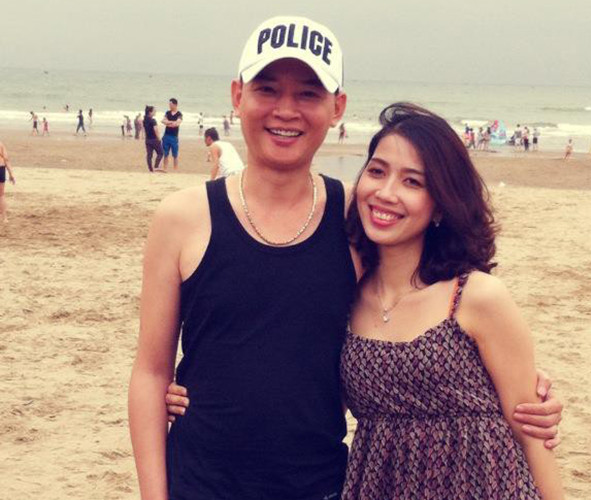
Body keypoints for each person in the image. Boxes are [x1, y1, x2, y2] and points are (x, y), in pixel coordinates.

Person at [130, 16, 563, 500]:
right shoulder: (182, 218)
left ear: (337, 107)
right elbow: (150, 372)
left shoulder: (355, 218)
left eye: (308, 94)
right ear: (237, 95)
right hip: (199, 481)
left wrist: (518, 385)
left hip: (320, 486)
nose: (285, 110)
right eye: (267, 89)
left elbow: (420, 300)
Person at [339, 103, 564, 499]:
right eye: (376, 171)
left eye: (412, 182)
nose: (386, 193)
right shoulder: (343, 297)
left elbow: (531, 432)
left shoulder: (476, 296)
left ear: (441, 204)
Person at [161, 98, 182, 171]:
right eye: (169, 104)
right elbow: (163, 121)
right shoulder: (167, 112)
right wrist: (171, 122)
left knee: (175, 155)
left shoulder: (179, 114)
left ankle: (175, 169)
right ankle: (165, 168)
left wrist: (168, 122)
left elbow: (177, 123)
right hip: (166, 136)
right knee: (165, 154)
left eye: (171, 104)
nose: (169, 106)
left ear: (175, 105)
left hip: (174, 137)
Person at [143, 105, 163, 172]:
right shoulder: (153, 120)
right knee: (160, 153)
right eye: (154, 111)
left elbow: (145, 130)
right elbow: (156, 130)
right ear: (150, 112)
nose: (155, 112)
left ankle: (151, 170)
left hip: (148, 140)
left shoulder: (144, 120)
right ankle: (156, 167)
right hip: (154, 139)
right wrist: (159, 138)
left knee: (149, 155)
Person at [0, 140, 16, 223]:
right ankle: (4, 218)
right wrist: (11, 173)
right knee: (1, 195)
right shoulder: (0, 144)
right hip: (1, 168)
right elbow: (6, 159)